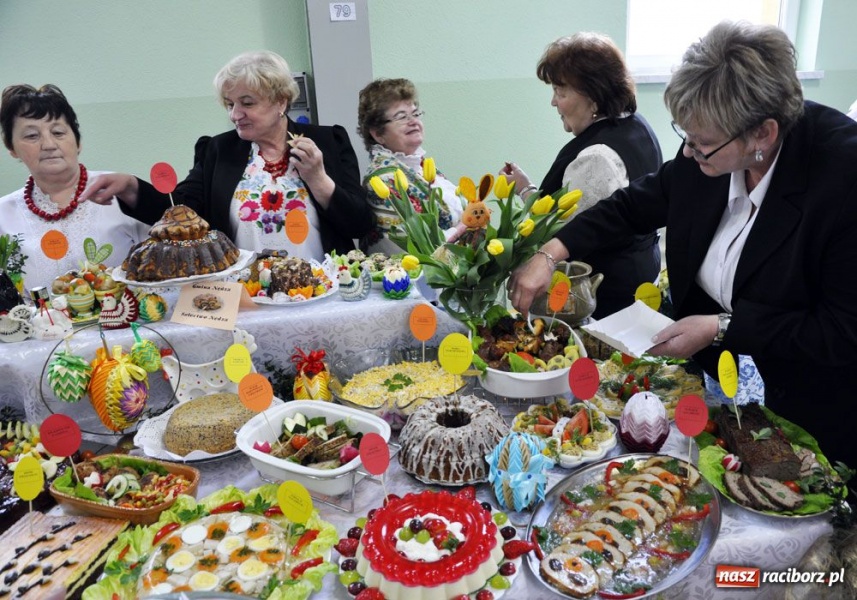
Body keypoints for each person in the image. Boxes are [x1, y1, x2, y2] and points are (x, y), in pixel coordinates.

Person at [509, 21, 857, 470]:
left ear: (763, 135)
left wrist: (722, 326)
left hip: (819, 394)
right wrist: (549, 252)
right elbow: (631, 207)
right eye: (684, 137)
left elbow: (840, 330)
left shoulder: (842, 180)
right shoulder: (711, 150)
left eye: (703, 144)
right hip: (717, 375)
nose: (689, 154)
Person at [82, 51, 373, 260]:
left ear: (280, 101)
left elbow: (360, 224)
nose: (235, 115)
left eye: (247, 103)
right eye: (229, 104)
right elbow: (180, 210)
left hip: (325, 292)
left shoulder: (327, 141)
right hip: (246, 296)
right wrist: (130, 186)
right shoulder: (218, 151)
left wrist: (319, 179)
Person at [501, 33, 663, 318]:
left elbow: (569, 234)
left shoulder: (597, 157)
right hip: (641, 272)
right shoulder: (634, 125)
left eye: (561, 93)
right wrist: (527, 190)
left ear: (593, 97)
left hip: (605, 298)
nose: (554, 102)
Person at [0, 84, 148, 291]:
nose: (49, 144)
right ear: (11, 149)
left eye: (58, 132)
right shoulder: (3, 215)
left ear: (78, 142)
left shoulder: (122, 192)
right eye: (32, 136)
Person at [356, 78, 464, 254]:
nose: (413, 121)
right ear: (377, 134)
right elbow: (410, 250)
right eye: (401, 117)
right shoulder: (382, 181)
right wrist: (465, 227)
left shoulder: (421, 166)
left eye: (415, 114)